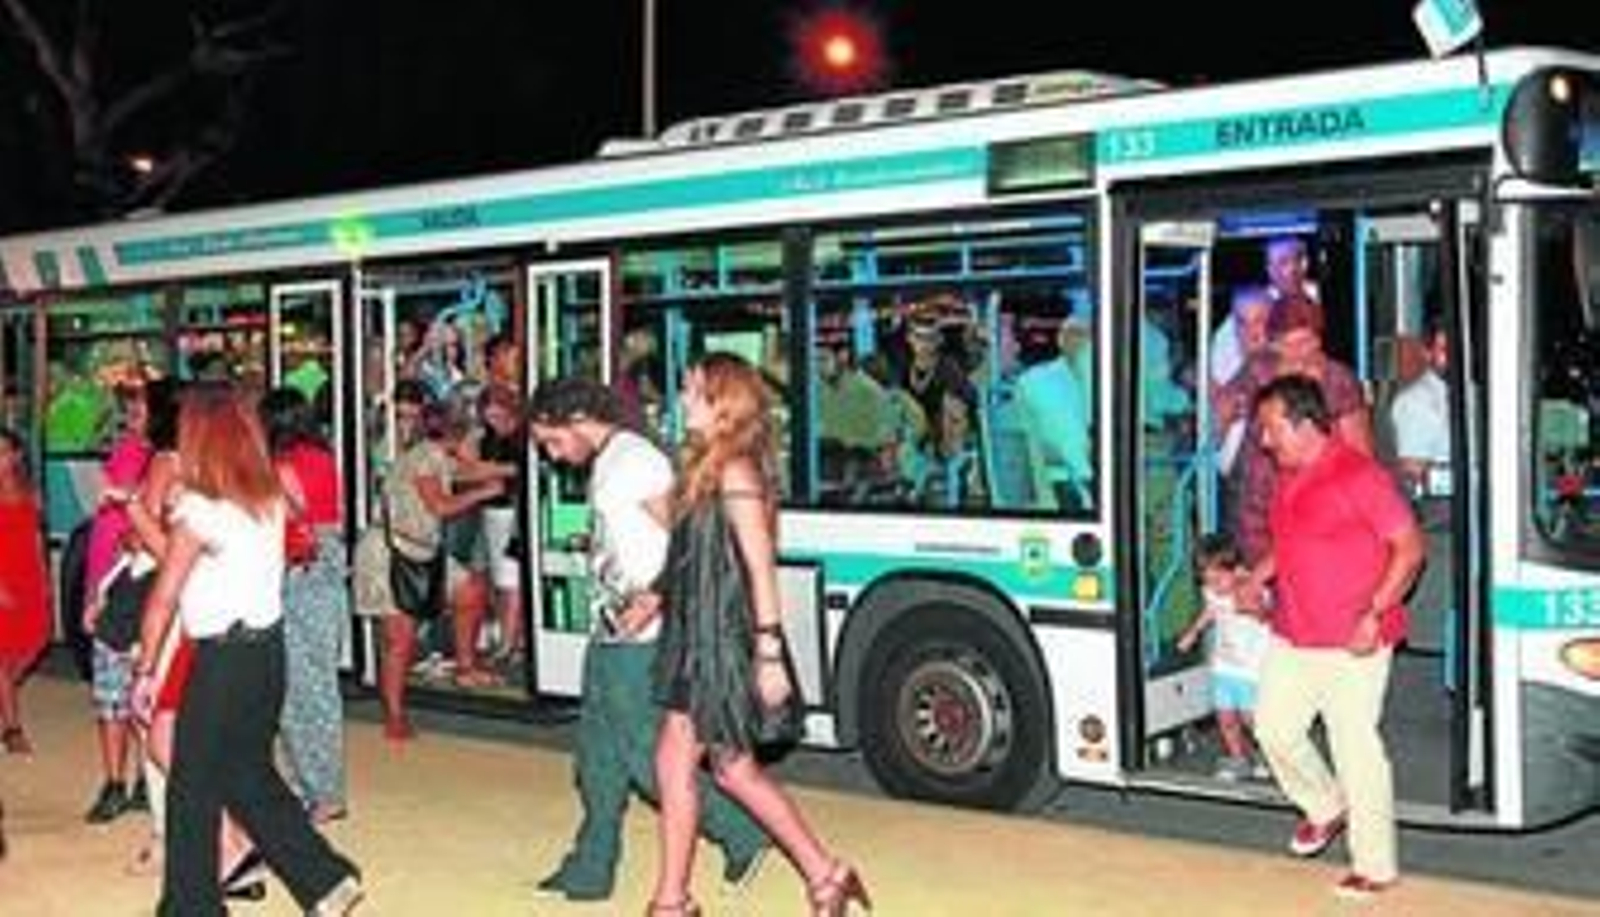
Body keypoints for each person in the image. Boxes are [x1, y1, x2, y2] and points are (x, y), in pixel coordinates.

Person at [526, 377, 769, 902]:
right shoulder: (613, 459)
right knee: (597, 756)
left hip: (641, 635)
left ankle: (742, 831)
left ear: (575, 420)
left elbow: (690, 539)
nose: (553, 456)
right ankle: (592, 866)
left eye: (552, 441)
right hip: (612, 628)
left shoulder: (634, 461)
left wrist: (655, 598)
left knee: (643, 755)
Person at [649, 352, 869, 917]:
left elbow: (760, 567)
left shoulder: (735, 471)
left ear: (722, 402)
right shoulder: (706, 467)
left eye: (693, 390)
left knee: (683, 763)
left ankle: (672, 903)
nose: (682, 399)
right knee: (731, 769)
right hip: (699, 636)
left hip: (722, 642)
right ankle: (827, 875)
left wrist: (769, 653)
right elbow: (695, 553)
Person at [131, 383, 363, 916]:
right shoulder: (269, 499)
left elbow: (164, 597)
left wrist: (146, 672)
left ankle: (192, 908)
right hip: (266, 654)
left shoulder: (199, 509)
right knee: (248, 773)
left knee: (192, 788)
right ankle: (325, 880)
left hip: (221, 658)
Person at [1245, 375, 1425, 901]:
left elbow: (1410, 548)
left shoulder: (1358, 475)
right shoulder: (1289, 475)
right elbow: (1294, 541)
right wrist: (1257, 577)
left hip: (1353, 638)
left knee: (1355, 749)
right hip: (1294, 632)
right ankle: (1326, 807)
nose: (1263, 440)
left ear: (1303, 424)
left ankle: (1375, 865)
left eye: (1271, 428)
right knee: (1274, 730)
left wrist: (1374, 613)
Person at [351, 381, 502, 738]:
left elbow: (464, 471)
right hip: (390, 552)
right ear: (458, 436)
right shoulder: (426, 456)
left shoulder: (434, 454)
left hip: (420, 548)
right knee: (398, 640)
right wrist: (486, 490)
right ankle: (394, 715)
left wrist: (503, 471)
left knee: (470, 591)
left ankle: (464, 667)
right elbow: (441, 505)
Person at [261, 387, 350, 823]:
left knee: (300, 688)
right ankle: (317, 787)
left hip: (299, 571)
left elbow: (288, 516)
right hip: (326, 567)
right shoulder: (324, 458)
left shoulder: (283, 465)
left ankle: (319, 790)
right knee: (316, 684)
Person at [1175, 531, 1270, 782]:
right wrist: (1194, 632)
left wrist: (1254, 609)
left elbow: (1267, 614)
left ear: (1236, 570)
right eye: (1206, 578)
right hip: (1224, 667)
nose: (1212, 584)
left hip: (1252, 669)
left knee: (1251, 719)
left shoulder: (1251, 587)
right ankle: (1238, 759)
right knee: (1226, 717)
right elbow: (1210, 610)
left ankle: (1266, 755)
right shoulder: (1212, 591)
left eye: (1218, 578)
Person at [0, 427, 49, 756]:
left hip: (28, 578)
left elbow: (35, 540)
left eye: (3, 450)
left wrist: (45, 582)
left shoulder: (31, 491)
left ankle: (5, 701)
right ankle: (12, 729)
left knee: (34, 643)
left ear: (17, 454)